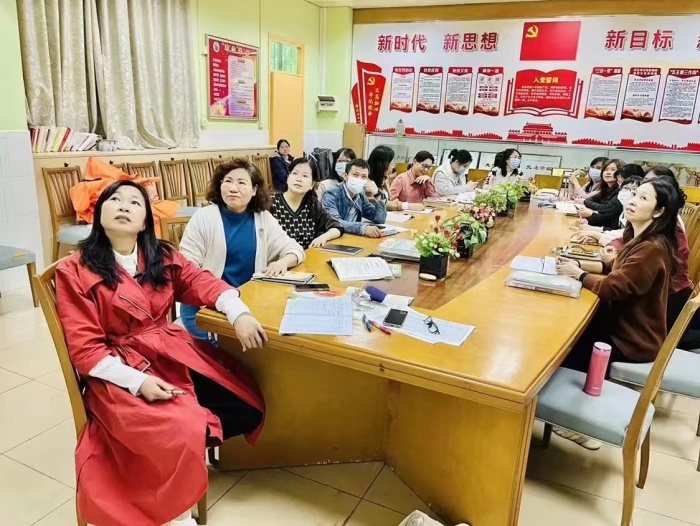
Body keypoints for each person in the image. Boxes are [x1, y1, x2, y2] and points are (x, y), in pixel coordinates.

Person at [55, 180, 267, 526]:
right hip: (118, 369)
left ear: (144, 222)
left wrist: (237, 311)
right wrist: (139, 382)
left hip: (167, 350)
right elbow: (86, 349)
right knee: (178, 426)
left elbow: (201, 281)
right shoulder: (74, 269)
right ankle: (175, 513)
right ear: (99, 213)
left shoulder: (161, 256)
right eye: (115, 199)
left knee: (242, 397)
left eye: (134, 202)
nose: (124, 206)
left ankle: (174, 466)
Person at [557, 178, 682, 372]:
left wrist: (580, 275)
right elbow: (617, 266)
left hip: (631, 341)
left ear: (658, 212)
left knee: (563, 351)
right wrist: (579, 265)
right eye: (634, 194)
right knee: (567, 333)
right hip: (619, 329)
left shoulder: (650, 249)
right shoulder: (641, 238)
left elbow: (611, 288)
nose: (632, 201)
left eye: (643, 198)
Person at [179, 159, 304, 343]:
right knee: (247, 348)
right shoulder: (204, 217)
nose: (233, 188)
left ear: (254, 190)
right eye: (228, 181)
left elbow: (295, 249)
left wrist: (282, 262)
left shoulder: (262, 218)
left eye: (241, 182)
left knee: (282, 338)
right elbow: (186, 271)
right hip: (206, 309)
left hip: (247, 305)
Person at [270, 157, 344, 249]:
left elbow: (337, 226)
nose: (298, 179)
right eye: (295, 173)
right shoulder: (271, 202)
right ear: (288, 178)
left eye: (305, 176)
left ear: (312, 184)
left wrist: (324, 237)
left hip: (307, 256)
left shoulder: (312, 204)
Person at [321, 158, 388, 238]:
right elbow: (334, 222)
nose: (359, 179)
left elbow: (379, 219)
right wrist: (362, 228)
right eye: (355, 175)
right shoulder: (331, 193)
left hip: (352, 238)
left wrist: (378, 195)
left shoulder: (360, 194)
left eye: (364, 177)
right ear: (345, 176)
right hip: (333, 239)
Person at [365, 145, 423, 212]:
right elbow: (382, 203)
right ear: (381, 164)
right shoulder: (368, 182)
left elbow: (388, 200)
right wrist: (408, 206)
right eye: (391, 163)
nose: (393, 166)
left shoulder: (383, 180)